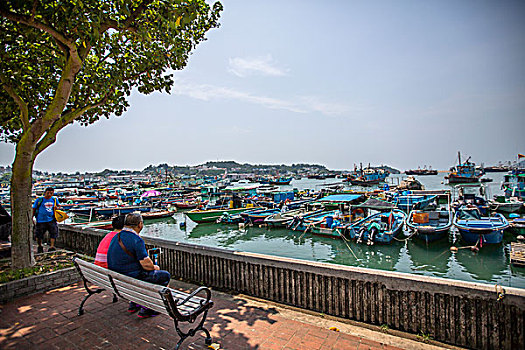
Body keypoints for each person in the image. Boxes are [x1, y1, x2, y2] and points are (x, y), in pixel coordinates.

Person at [107, 213, 170, 318]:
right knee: (164, 275)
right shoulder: (136, 240)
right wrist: (155, 267)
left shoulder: (116, 236)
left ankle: (134, 303)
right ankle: (149, 309)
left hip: (118, 278)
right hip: (131, 277)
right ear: (140, 224)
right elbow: (147, 266)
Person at [32, 187, 60, 253]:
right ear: (45, 193)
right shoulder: (39, 200)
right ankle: (39, 246)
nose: (49, 194)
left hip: (51, 219)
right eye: (48, 193)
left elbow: (59, 206)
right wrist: (32, 217)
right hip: (41, 220)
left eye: (51, 193)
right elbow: (34, 208)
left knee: (53, 233)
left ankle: (52, 246)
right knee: (39, 235)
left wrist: (57, 208)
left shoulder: (54, 199)